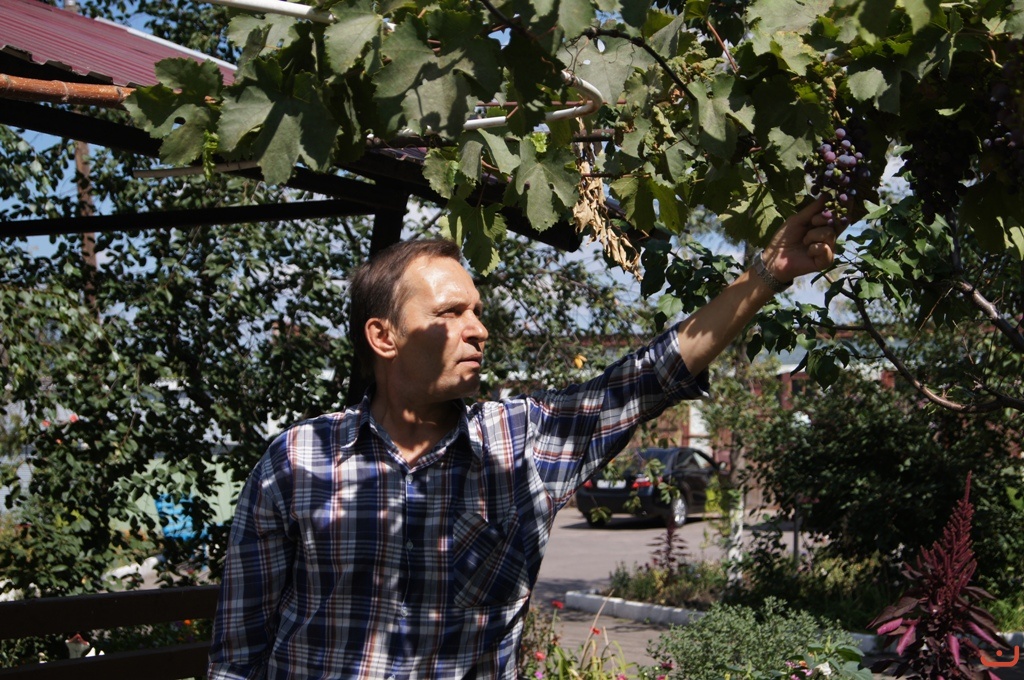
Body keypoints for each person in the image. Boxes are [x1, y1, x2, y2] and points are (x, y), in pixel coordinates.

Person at [208, 197, 838, 679]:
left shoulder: (521, 445)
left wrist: (766, 275)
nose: (478, 329)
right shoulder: (299, 461)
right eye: (450, 313)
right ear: (384, 337)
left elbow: (651, 375)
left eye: (478, 311)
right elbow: (238, 654)